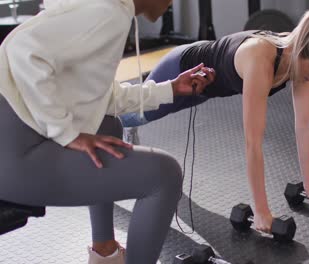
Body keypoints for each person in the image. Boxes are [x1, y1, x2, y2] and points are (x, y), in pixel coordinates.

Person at [0, 0, 215, 263]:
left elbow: (103, 96)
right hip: (14, 159)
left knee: (107, 123)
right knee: (164, 175)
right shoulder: (110, 13)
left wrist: (170, 88)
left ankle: (105, 253)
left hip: (15, 145)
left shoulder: (107, 8)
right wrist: (67, 133)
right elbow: (23, 50)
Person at [121, 4, 309, 234]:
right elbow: (253, 142)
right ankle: (101, 104)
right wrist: (261, 211)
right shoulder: (261, 58)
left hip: (206, 88)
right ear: (302, 51)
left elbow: (305, 126)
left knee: (138, 116)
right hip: (183, 70)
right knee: (130, 116)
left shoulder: (301, 59)